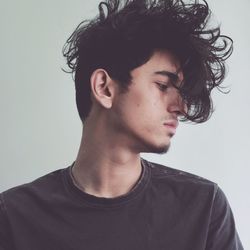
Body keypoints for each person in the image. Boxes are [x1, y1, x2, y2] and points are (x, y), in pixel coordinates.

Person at [0, 0, 244, 249]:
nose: (181, 107)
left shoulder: (203, 209)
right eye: (162, 86)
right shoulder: (13, 217)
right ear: (104, 88)